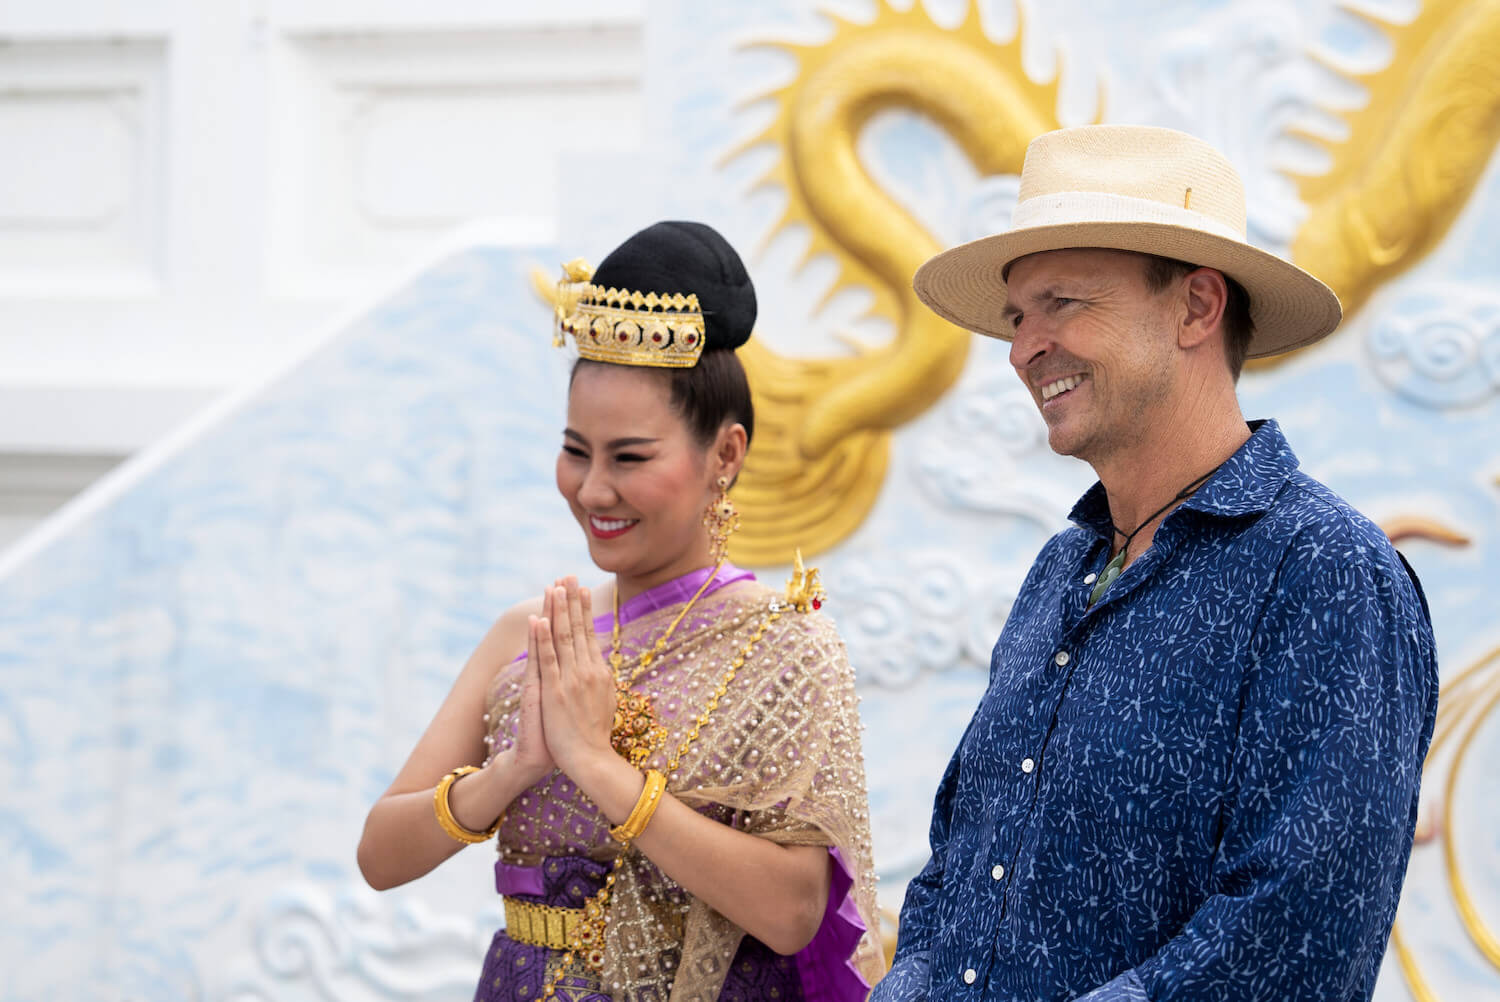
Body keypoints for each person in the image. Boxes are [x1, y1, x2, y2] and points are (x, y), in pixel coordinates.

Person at [870, 125, 1438, 1002]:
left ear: (1197, 308)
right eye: (1020, 317)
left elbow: (1290, 942)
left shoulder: (1326, 571)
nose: (1024, 347)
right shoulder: (1060, 571)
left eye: (1064, 302)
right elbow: (960, 868)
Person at [357, 221, 884, 1002]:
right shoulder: (528, 635)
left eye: (629, 457)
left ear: (726, 456)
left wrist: (600, 768)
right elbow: (380, 856)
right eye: (577, 450)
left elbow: (793, 912)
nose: (593, 489)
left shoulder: (785, 645)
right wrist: (513, 770)